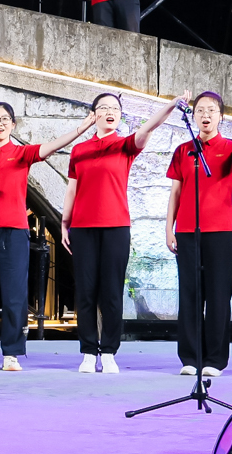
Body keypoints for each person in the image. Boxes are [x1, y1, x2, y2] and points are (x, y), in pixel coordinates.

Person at [0, 101, 97, 370]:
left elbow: (52, 146)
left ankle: (11, 353)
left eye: (4, 119)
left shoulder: (22, 154)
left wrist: (81, 128)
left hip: (14, 231)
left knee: (14, 294)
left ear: (13, 125)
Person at [59, 92, 179, 373]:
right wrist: (64, 222)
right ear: (94, 114)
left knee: (111, 292)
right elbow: (72, 189)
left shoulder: (124, 145)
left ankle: (109, 351)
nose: (110, 112)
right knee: (86, 292)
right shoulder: (79, 150)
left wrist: (171, 105)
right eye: (104, 107)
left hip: (115, 227)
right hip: (83, 228)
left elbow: (150, 126)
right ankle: (89, 351)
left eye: (115, 108)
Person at [165, 90, 232, 378]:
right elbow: (175, 192)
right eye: (200, 110)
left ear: (221, 117)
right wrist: (169, 228)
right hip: (187, 232)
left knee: (218, 296)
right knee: (190, 295)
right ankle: (190, 357)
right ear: (193, 116)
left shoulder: (229, 147)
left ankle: (214, 359)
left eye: (211, 110)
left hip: (221, 232)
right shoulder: (183, 151)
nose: (205, 115)